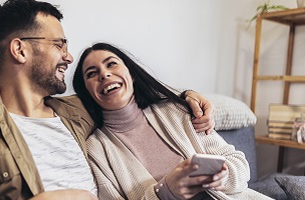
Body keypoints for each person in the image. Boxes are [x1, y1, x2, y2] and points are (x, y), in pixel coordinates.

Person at [0, 1, 215, 199]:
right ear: (20, 50)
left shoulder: (79, 109)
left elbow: (130, 91)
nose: (69, 56)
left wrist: (186, 95)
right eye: (59, 44)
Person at [72, 42, 270, 200]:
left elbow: (241, 166)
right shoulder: (96, 150)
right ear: (87, 92)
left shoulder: (176, 110)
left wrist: (222, 177)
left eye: (111, 64)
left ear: (131, 75)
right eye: (91, 73)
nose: (104, 74)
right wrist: (165, 192)